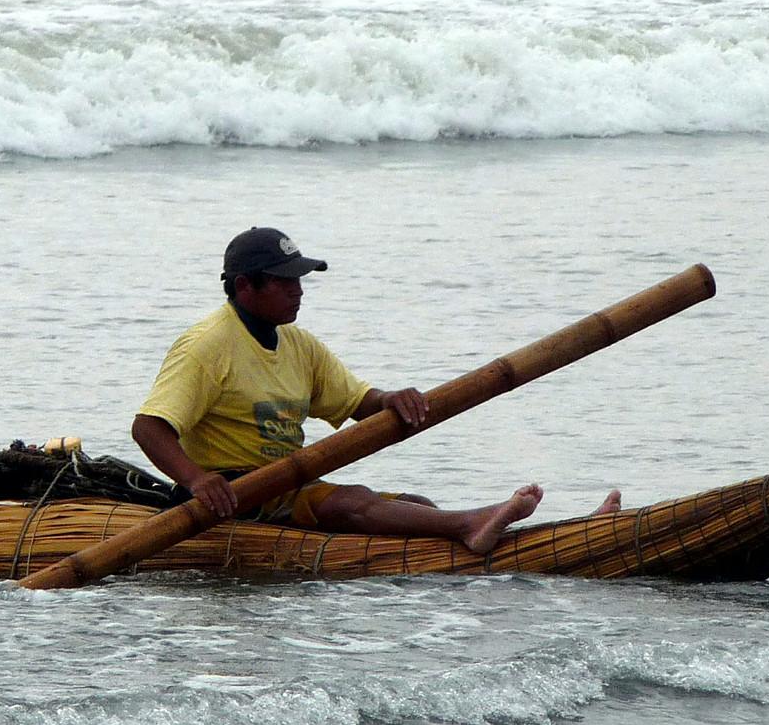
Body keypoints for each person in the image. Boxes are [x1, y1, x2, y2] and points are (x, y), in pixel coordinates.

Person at [132, 227, 619, 556]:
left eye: (300, 280)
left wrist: (388, 399)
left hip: (287, 485)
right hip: (239, 494)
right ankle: (472, 524)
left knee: (417, 505)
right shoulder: (207, 346)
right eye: (284, 282)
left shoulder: (299, 345)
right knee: (350, 502)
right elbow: (149, 427)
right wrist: (198, 480)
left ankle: (555, 535)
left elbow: (356, 402)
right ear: (245, 286)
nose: (298, 290)